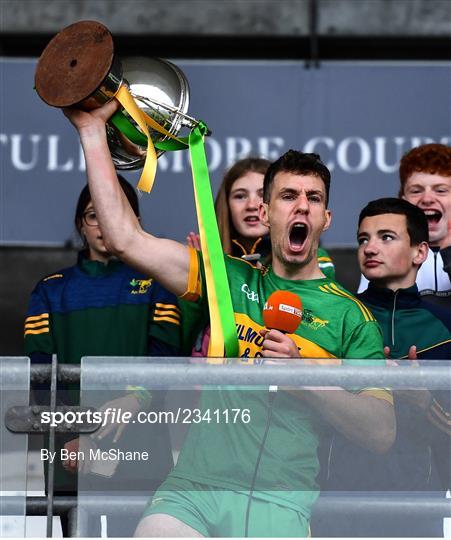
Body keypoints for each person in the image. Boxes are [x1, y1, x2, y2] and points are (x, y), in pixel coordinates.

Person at [63, 99, 395, 538]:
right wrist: (91, 132)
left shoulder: (353, 316)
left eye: (313, 198)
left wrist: (305, 375)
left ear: (326, 218)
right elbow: (126, 240)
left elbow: (381, 432)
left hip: (280, 502)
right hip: (192, 491)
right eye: (288, 196)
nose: (301, 206)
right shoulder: (223, 277)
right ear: (268, 212)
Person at [24, 176, 181, 536]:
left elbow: (167, 358)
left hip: (142, 448)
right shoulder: (51, 291)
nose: (105, 223)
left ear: (135, 221)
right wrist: (74, 435)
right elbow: (39, 375)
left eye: (117, 211)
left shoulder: (158, 282)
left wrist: (136, 398)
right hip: (72, 450)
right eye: (94, 215)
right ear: (80, 224)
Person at [315, 198, 451, 537]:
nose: (370, 247)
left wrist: (425, 403)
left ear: (420, 252)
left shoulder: (445, 326)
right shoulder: (337, 316)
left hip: (417, 508)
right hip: (337, 503)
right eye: (363, 239)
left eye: (386, 237)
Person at [187, 157, 335, 357]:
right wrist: (200, 283)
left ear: (268, 207)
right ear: (226, 205)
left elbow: (319, 315)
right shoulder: (213, 260)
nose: (251, 205)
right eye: (240, 196)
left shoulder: (313, 260)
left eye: (261, 195)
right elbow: (188, 335)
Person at [359, 143, 451, 296]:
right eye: (416, 191)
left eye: (440, 190)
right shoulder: (381, 254)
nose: (427, 199)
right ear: (403, 201)